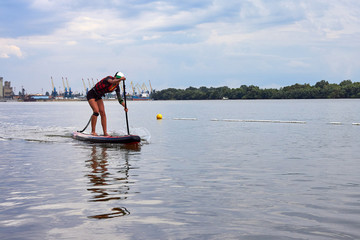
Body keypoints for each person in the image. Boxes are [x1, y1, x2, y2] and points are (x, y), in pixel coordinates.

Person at [86, 72, 127, 136]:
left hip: (98, 96)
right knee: (96, 111)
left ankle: (105, 133)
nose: (118, 81)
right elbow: (112, 81)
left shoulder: (117, 87)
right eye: (117, 79)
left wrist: (125, 106)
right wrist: (120, 79)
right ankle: (93, 131)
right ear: (115, 77)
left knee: (103, 113)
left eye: (119, 80)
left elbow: (120, 99)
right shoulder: (109, 78)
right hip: (91, 94)